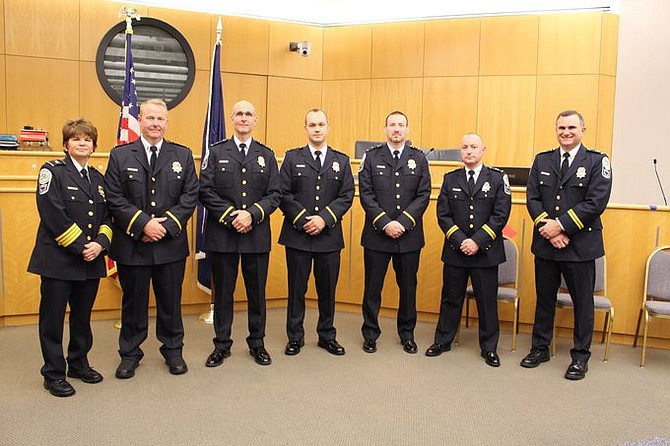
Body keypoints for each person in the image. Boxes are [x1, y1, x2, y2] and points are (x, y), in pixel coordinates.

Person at [104, 99, 199, 379]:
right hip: (133, 244)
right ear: (140, 120)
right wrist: (144, 224)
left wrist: (165, 225)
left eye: (160, 119)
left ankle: (173, 351)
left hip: (170, 244)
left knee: (170, 302)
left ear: (166, 122)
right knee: (133, 303)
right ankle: (130, 354)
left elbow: (189, 196)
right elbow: (114, 197)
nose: (155, 123)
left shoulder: (182, 155)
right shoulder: (120, 155)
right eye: (150, 118)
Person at [521, 110, 612, 380]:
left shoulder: (597, 161)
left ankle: (580, 357)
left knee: (583, 303)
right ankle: (540, 348)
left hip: (580, 245)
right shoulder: (543, 159)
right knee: (544, 299)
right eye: (561, 127)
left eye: (572, 127)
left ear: (583, 130)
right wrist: (549, 231)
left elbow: (596, 202)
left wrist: (560, 226)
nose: (566, 132)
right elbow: (533, 198)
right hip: (547, 244)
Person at [28, 118, 112, 397]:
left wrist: (99, 244)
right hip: (59, 260)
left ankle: (78, 363)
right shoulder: (52, 172)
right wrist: (82, 246)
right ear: (66, 145)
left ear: (93, 146)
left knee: (82, 317)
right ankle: (53, 373)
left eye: (87, 139)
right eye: (76, 139)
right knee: (52, 320)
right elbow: (52, 214)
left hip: (89, 260)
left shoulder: (98, 180)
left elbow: (107, 217)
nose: (82, 143)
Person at [199, 100, 281, 367]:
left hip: (255, 236)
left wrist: (252, 214)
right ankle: (222, 344)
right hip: (223, 235)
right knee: (223, 293)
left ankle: (257, 343)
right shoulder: (216, 151)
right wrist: (231, 215)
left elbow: (275, 194)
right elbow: (205, 190)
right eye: (239, 114)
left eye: (248, 114)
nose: (244, 118)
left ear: (255, 120)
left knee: (256, 293)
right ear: (232, 119)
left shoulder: (266, 154)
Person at [425, 133, 511, 367]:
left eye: (474, 147)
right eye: (464, 147)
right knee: (450, 299)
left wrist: (477, 241)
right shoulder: (450, 179)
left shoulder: (497, 178)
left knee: (486, 302)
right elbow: (443, 215)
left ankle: (489, 348)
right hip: (456, 250)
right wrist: (462, 240)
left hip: (486, 251)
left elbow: (500, 215)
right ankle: (442, 341)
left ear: (483, 149)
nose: (469, 151)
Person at [278, 109, 355, 356]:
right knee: (296, 289)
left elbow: (346, 196)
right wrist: (303, 220)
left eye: (321, 124)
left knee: (327, 290)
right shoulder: (292, 158)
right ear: (305, 129)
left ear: (328, 127)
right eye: (312, 125)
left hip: (329, 236)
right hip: (298, 236)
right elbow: (283, 193)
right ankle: (295, 336)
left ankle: (327, 335)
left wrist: (324, 219)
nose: (317, 129)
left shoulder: (341, 160)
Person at [358, 110, 431, 354]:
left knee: (408, 288)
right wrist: (385, 223)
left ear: (407, 130)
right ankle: (370, 333)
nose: (396, 129)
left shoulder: (419, 158)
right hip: (377, 235)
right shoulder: (371, 157)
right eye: (392, 125)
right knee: (372, 289)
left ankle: (407, 334)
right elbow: (366, 195)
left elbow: (423, 195)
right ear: (385, 128)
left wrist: (403, 222)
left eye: (401, 125)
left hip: (408, 237)